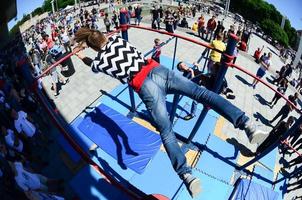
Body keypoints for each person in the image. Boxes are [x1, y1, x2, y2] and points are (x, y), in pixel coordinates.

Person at [73, 28, 268, 198]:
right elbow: (105, 40)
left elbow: (91, 62)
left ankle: (186, 174)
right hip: (157, 69)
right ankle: (247, 124)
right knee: (202, 94)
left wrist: (80, 55)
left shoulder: (100, 61)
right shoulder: (117, 40)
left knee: (166, 130)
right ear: (103, 38)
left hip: (145, 85)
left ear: (94, 48)